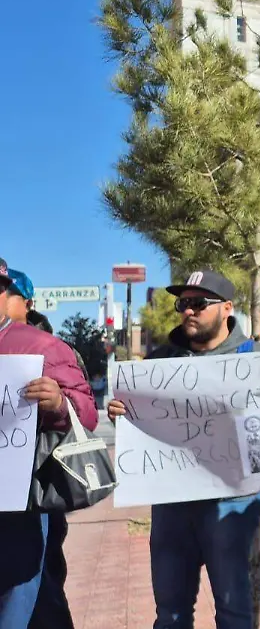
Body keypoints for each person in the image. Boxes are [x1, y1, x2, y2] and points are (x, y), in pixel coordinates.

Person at [106, 270, 260, 629]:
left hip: (233, 503)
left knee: (234, 612)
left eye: (198, 303)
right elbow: (141, 427)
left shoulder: (259, 359)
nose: (188, 311)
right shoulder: (156, 364)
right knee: (170, 614)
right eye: (183, 303)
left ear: (227, 308)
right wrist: (120, 415)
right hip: (171, 505)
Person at [0, 257, 97, 627]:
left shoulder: (43, 346)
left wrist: (58, 403)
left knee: (22, 602)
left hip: (19, 508)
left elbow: (86, 415)